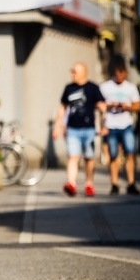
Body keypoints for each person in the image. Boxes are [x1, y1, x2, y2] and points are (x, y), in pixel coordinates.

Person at [52, 62, 106, 196]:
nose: (72, 74)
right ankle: (71, 183)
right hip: (72, 129)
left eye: (74, 71)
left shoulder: (93, 88)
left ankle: (89, 184)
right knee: (73, 157)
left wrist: (103, 124)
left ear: (83, 73)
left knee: (89, 158)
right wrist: (57, 126)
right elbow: (62, 108)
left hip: (89, 129)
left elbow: (102, 107)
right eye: (72, 71)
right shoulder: (68, 88)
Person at [99, 58, 140, 194]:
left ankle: (131, 183)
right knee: (113, 155)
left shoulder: (130, 87)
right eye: (116, 73)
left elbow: (138, 105)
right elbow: (99, 104)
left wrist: (127, 107)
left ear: (126, 73)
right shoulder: (105, 87)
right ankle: (114, 184)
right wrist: (110, 105)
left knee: (130, 153)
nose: (119, 76)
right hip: (111, 125)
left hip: (126, 124)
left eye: (121, 73)